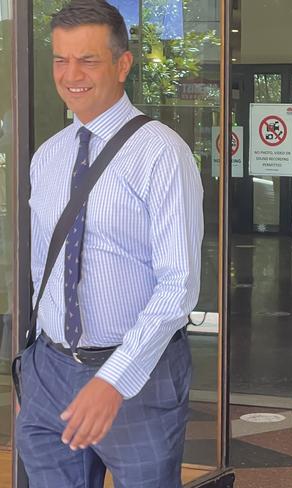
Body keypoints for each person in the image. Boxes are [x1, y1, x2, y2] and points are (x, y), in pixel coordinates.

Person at [16, 1, 203, 487]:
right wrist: (33, 370)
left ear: (123, 64)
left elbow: (178, 286)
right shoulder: (48, 157)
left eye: (88, 60)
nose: (70, 74)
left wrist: (113, 378)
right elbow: (43, 270)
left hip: (137, 375)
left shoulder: (161, 152)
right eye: (61, 59)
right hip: (50, 374)